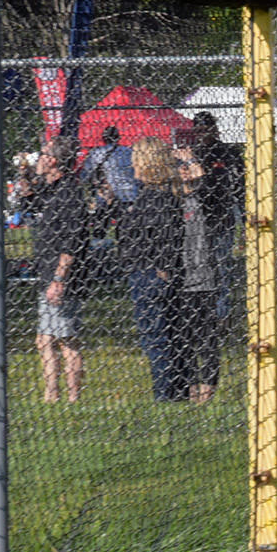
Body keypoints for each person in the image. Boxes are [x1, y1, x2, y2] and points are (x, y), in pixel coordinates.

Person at [120, 137, 186, 402]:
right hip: (148, 271)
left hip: (150, 274)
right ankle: (174, 392)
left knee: (156, 337)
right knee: (166, 335)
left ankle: (165, 394)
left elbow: (165, 234)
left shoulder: (155, 196)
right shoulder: (158, 193)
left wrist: (162, 267)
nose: (131, 164)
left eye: (135, 159)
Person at [29, 136, 89, 403]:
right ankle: (52, 395)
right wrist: (26, 174)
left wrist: (58, 279)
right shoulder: (50, 189)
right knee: (47, 339)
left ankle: (69, 396)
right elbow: (28, 204)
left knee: (63, 340)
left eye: (42, 154)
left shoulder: (69, 193)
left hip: (61, 277)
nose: (38, 158)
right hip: (47, 274)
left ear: (52, 160)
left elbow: (71, 242)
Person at [174, 145, 222, 404]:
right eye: (179, 169)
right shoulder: (171, 202)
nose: (184, 173)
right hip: (180, 280)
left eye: (186, 169)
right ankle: (190, 387)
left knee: (206, 338)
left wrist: (191, 159)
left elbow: (206, 184)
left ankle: (207, 390)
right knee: (184, 338)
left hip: (202, 278)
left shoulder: (203, 200)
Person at [191, 111, 243, 319]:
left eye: (206, 129)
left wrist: (245, 218)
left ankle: (220, 312)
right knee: (200, 267)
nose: (203, 134)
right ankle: (201, 311)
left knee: (221, 267)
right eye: (199, 130)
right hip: (198, 219)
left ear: (215, 129)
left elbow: (239, 186)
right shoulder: (192, 154)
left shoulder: (228, 153)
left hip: (222, 217)